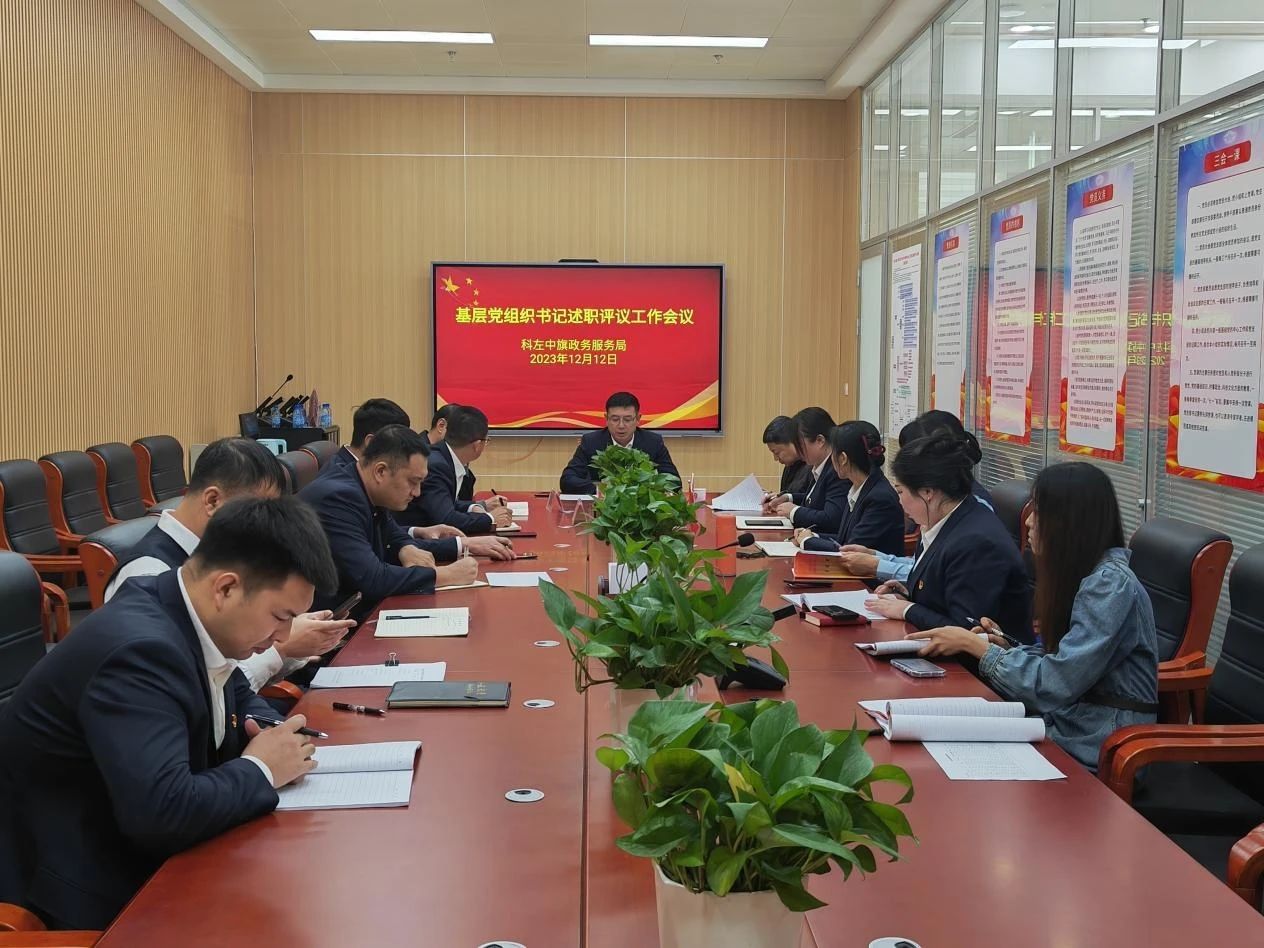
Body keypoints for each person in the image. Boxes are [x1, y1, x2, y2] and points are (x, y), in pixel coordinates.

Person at [0, 497, 337, 929]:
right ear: (226, 588)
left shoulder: (179, 608)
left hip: (144, 846)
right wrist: (262, 768)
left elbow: (234, 690)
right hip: (84, 891)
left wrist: (268, 729)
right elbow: (162, 813)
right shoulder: (141, 651)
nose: (284, 636)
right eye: (280, 616)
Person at [906, 463, 1158, 771]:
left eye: (1039, 511)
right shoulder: (1085, 574)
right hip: (1065, 724)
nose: (1028, 521)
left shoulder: (1110, 586)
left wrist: (978, 648)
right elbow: (1065, 662)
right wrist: (1005, 646)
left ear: (1069, 521)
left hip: (1097, 742)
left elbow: (1056, 683)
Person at [105, 438, 352, 691]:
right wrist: (282, 648)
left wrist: (283, 628)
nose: (266, 528)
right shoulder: (146, 573)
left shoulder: (228, 558)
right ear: (213, 501)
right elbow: (203, 685)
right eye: (256, 511)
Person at [864, 431, 1032, 640]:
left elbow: (966, 629)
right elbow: (942, 595)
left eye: (900, 492)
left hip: (981, 658)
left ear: (927, 492)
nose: (899, 501)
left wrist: (907, 609)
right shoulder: (939, 520)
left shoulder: (976, 542)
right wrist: (906, 593)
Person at [299, 424, 479, 616]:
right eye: (413, 482)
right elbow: (373, 579)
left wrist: (406, 547)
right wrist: (446, 575)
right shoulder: (339, 498)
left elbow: (394, 534)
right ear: (381, 472)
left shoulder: (365, 487)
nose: (417, 492)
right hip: (329, 622)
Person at [838, 410, 994, 581]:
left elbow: (935, 577)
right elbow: (921, 563)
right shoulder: (938, 507)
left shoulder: (969, 515)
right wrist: (876, 557)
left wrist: (877, 566)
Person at [399, 405, 513, 543]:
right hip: (413, 543)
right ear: (477, 445)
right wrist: (491, 519)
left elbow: (445, 502)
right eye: (486, 441)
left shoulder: (443, 457)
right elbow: (446, 518)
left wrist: (476, 506)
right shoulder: (437, 465)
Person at [794, 420, 904, 556]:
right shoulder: (860, 488)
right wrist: (813, 536)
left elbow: (850, 551)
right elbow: (843, 539)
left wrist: (807, 541)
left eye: (832, 453)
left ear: (843, 459)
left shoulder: (880, 498)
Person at [560, 391, 680, 494]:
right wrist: (604, 489)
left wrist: (639, 490)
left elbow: (674, 482)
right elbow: (567, 480)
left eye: (627, 419)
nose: (621, 425)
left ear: (638, 419)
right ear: (606, 419)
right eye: (615, 419)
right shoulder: (591, 442)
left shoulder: (653, 442)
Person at [764, 407, 848, 535]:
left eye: (800, 445)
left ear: (820, 441)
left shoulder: (837, 470)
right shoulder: (820, 466)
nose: (798, 450)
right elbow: (815, 500)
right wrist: (788, 498)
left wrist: (794, 511)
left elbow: (831, 519)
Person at [763, 415, 811, 495]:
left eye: (776, 452)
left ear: (792, 442)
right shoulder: (789, 466)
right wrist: (775, 497)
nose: (775, 458)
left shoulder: (812, 466)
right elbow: (788, 494)